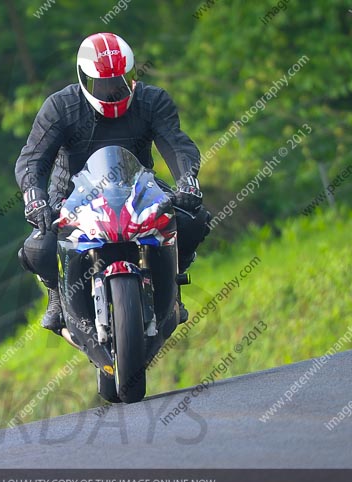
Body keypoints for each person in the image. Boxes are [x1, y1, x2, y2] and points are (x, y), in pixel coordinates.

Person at [15, 32, 211, 333]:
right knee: (39, 248)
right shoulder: (60, 107)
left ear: (132, 73)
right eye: (102, 82)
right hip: (70, 197)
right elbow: (33, 159)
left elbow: (177, 145)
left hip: (140, 189)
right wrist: (35, 197)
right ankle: (57, 295)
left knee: (193, 221)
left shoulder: (152, 100)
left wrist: (187, 180)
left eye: (120, 79)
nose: (112, 89)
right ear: (84, 78)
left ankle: (172, 283)